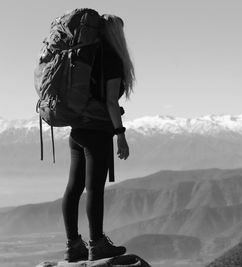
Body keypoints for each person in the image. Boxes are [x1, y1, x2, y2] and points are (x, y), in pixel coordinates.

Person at [61, 13, 136, 262]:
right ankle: (97, 244)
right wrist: (120, 134)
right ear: (116, 33)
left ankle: (73, 245)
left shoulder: (85, 53)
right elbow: (111, 102)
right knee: (95, 189)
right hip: (97, 130)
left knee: (74, 188)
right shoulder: (112, 58)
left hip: (77, 129)